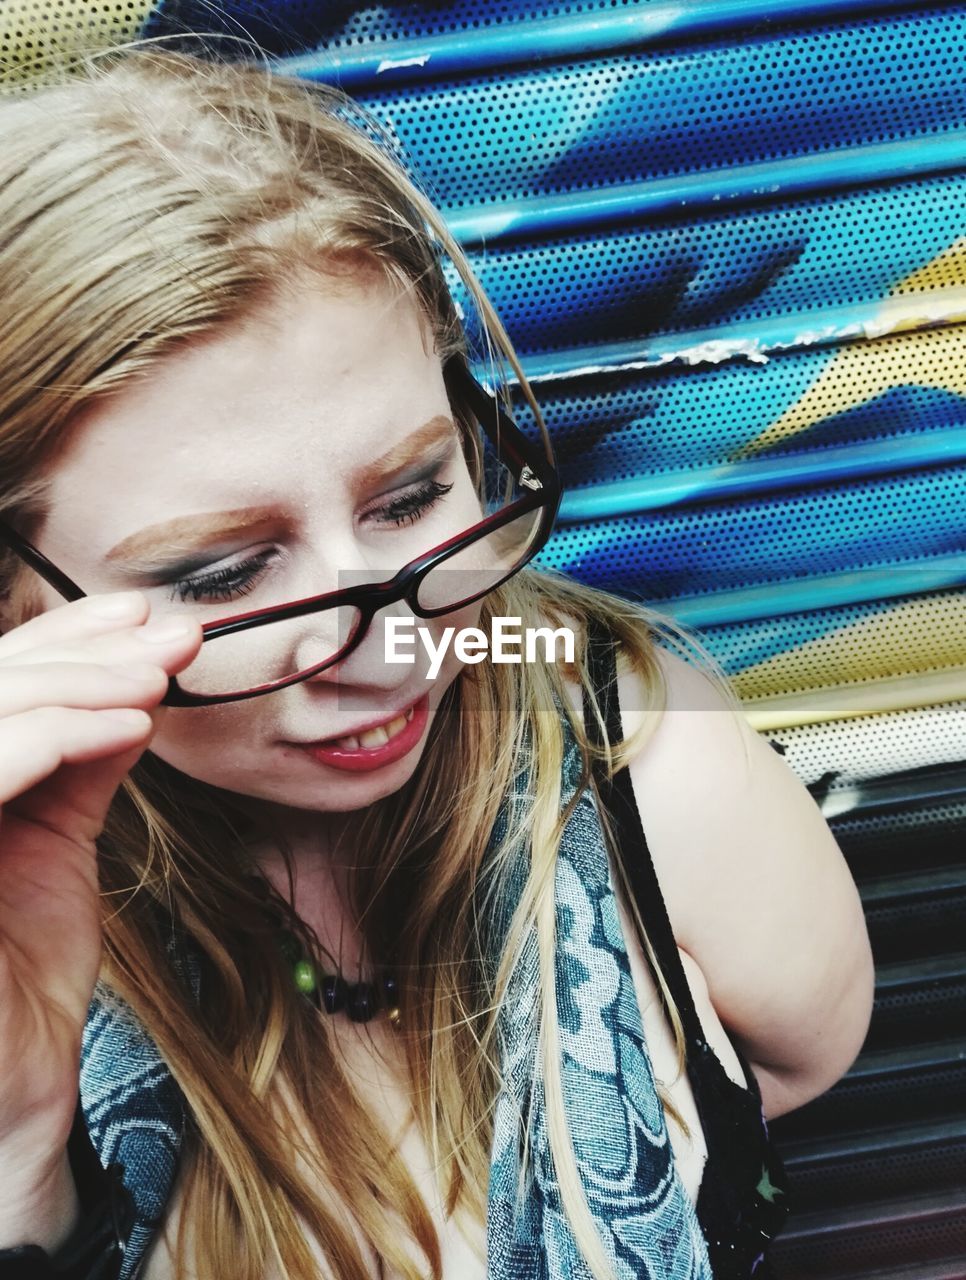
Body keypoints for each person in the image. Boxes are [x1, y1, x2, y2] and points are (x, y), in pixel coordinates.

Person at [0, 45, 874, 1280]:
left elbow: (799, 1064)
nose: (397, 646)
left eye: (410, 493)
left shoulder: (649, 760)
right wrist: (18, 1158)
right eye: (221, 575)